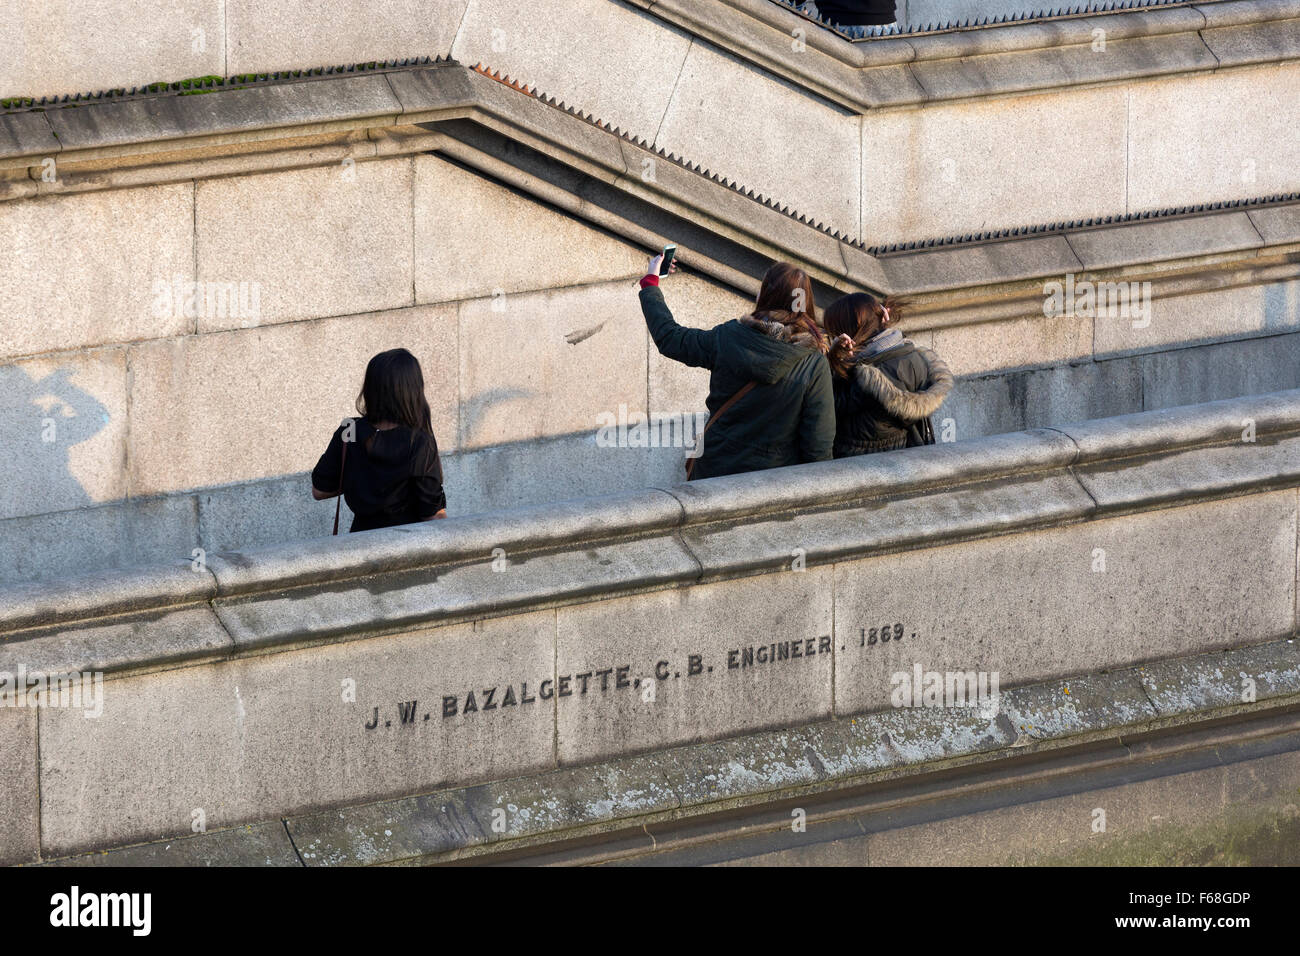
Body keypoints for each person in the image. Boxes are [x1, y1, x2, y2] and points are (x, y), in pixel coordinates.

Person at [638, 255, 835, 480]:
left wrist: (651, 282)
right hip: (774, 485)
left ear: (765, 296)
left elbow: (671, 339)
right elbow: (818, 447)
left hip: (714, 473)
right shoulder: (813, 364)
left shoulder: (728, 337)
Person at [311, 348, 447, 532]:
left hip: (360, 542)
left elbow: (319, 491)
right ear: (413, 390)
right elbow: (432, 514)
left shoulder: (349, 429)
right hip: (408, 546)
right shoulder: (419, 440)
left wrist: (361, 479)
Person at [823, 292, 953, 457]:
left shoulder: (867, 378)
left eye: (833, 332)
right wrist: (878, 323)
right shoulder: (911, 357)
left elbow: (828, 404)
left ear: (849, 332)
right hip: (899, 457)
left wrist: (832, 359)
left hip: (858, 465)